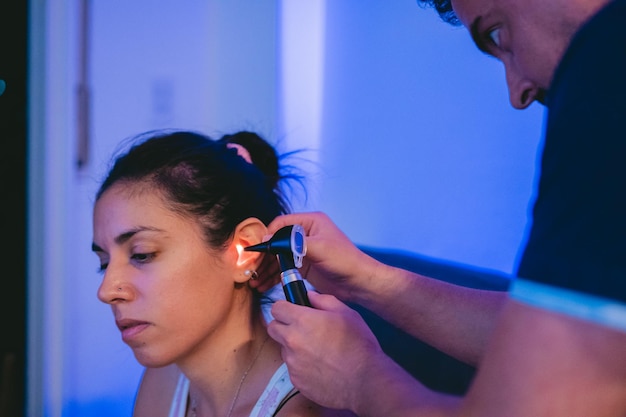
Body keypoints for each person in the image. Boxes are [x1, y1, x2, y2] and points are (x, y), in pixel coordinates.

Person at [253, 0, 626, 416]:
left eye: (497, 34)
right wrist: (365, 279)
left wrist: (361, 381)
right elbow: (557, 344)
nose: (517, 91)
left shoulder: (608, 64)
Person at [92, 129, 354, 417]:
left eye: (142, 254)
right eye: (105, 262)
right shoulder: (165, 382)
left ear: (244, 250)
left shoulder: (305, 409)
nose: (106, 291)